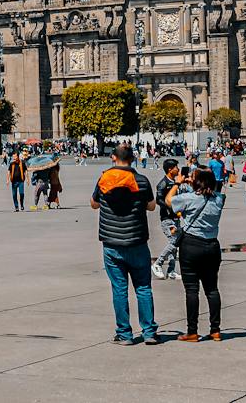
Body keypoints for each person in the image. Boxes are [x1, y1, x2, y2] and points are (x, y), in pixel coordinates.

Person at [90, 144, 158, 346]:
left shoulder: (104, 180)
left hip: (112, 243)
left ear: (113, 158)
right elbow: (152, 206)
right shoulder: (142, 181)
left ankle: (125, 334)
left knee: (119, 289)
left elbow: (94, 204)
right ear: (133, 158)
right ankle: (149, 332)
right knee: (143, 288)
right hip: (137, 241)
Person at [165, 166, 226, 341]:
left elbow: (169, 200)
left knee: (192, 290)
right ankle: (215, 330)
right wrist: (201, 181)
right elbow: (216, 192)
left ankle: (192, 331)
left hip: (191, 245)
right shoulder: (219, 200)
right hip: (212, 245)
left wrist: (178, 183)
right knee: (212, 289)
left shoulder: (189, 198)